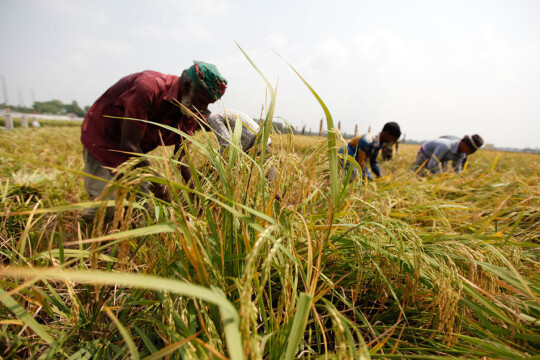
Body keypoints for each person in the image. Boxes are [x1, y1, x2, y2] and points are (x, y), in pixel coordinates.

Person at [80, 61, 227, 223]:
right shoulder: (149, 88)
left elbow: (182, 158)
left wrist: (197, 193)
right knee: (108, 207)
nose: (203, 107)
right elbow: (128, 144)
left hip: (135, 154)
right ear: (186, 86)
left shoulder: (191, 111)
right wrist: (158, 183)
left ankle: (121, 243)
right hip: (103, 141)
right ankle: (82, 240)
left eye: (208, 104)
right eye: (201, 100)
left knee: (141, 210)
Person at [207, 109, 277, 184]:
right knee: (271, 183)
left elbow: (227, 145)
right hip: (264, 142)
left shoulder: (213, 118)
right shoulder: (222, 113)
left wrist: (212, 159)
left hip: (258, 145)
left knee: (270, 185)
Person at [413, 134, 484, 175]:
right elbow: (431, 164)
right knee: (418, 175)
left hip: (442, 158)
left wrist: (458, 179)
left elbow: (457, 167)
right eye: (469, 149)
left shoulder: (462, 153)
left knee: (444, 173)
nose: (467, 152)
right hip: (425, 153)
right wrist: (438, 177)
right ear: (464, 144)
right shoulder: (445, 146)